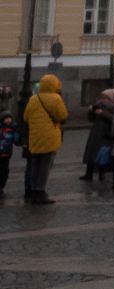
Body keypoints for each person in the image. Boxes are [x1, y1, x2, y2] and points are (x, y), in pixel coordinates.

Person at [22, 73, 68, 205]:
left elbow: (26, 117)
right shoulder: (56, 98)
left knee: (35, 165)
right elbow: (62, 116)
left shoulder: (33, 99)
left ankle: (33, 191)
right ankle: (41, 192)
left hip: (35, 137)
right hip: (50, 137)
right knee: (45, 167)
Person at [82, 87, 114, 182]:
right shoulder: (98, 104)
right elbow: (91, 119)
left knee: (102, 154)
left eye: (104, 96)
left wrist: (102, 113)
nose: (102, 98)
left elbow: (113, 119)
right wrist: (90, 111)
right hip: (96, 131)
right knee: (91, 152)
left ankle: (101, 174)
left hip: (106, 132)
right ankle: (89, 174)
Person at [0, 105, 18, 199]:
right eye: (6, 119)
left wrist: (16, 131)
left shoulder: (12, 129)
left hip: (7, 154)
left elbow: (16, 140)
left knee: (5, 171)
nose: (8, 120)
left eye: (9, 118)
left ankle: (2, 186)